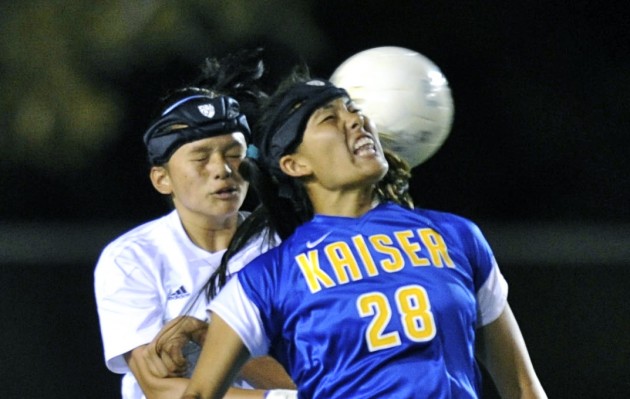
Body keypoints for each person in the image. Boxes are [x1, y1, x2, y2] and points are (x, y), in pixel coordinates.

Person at [179, 70, 548, 399]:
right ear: (295, 164)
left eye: (353, 109)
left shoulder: (456, 236)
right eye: (330, 117)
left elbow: (521, 387)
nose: (356, 121)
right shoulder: (268, 279)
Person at [94, 50, 296, 399]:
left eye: (234, 153)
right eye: (201, 157)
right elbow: (160, 390)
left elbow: (313, 374)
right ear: (162, 180)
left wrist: (208, 335)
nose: (222, 169)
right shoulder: (131, 258)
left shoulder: (286, 243)